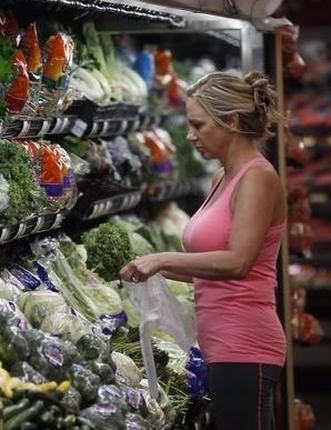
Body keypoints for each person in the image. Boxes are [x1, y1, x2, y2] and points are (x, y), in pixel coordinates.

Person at [120, 70, 287, 430]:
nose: (190, 136)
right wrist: (151, 267)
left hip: (246, 344)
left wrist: (163, 258)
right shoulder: (221, 177)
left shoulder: (258, 177)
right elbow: (207, 265)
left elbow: (238, 262)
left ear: (230, 121)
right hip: (220, 343)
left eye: (198, 125)